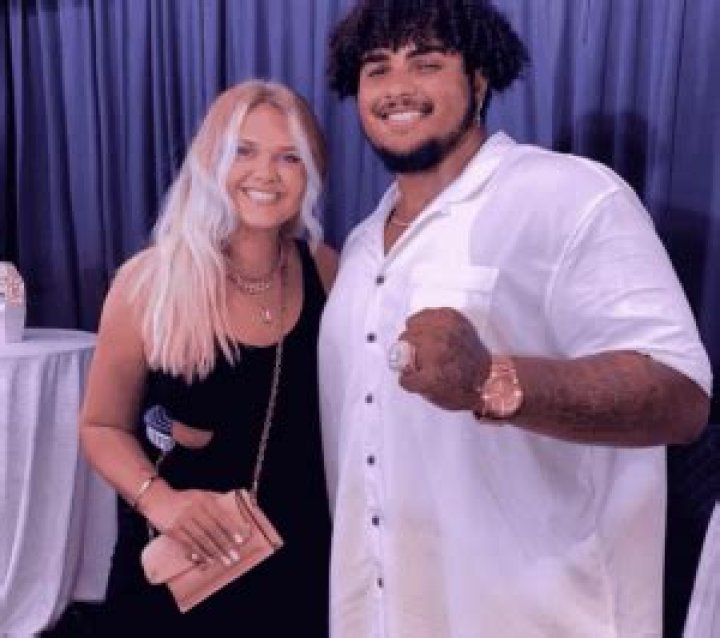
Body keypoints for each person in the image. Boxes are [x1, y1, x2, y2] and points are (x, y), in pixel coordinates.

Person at [319, 1, 713, 636]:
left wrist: (491, 380)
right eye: (377, 68)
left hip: (541, 618)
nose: (397, 87)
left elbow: (681, 396)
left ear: (479, 80)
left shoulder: (569, 196)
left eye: (426, 63)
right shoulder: (364, 244)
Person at [80, 80, 336, 635]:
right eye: (243, 151)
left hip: (299, 563)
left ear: (311, 174)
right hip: (183, 567)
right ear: (209, 161)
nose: (266, 174)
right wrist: (162, 502)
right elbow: (101, 426)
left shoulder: (324, 269)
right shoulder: (148, 282)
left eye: (289, 157)